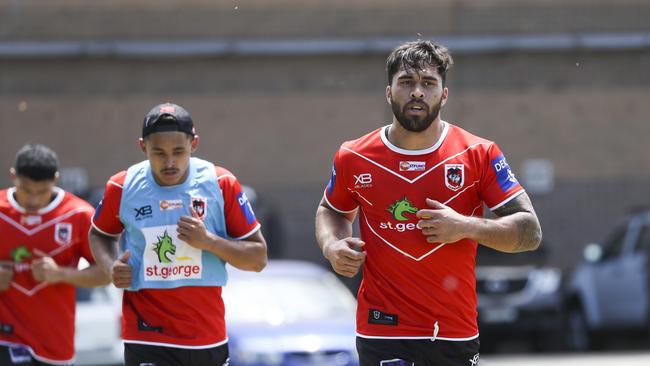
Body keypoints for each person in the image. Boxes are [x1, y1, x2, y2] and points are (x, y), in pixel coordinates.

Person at [315, 40, 542, 366]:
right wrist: (332, 245)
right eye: (406, 82)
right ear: (389, 92)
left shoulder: (479, 154)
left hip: (453, 332)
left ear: (444, 95)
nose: (417, 92)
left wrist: (464, 226)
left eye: (428, 83)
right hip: (382, 329)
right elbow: (332, 210)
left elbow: (530, 232)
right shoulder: (354, 155)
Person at [89, 102, 267, 366]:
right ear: (142, 146)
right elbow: (99, 234)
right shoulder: (123, 186)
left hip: (205, 335)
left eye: (179, 151)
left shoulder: (220, 183)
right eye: (159, 152)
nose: (169, 162)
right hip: (146, 333)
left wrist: (210, 242)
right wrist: (109, 266)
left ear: (194, 144)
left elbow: (258, 258)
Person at [0, 144, 110, 365]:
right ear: (13, 176)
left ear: (55, 180)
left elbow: (106, 274)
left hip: (53, 345)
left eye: (41, 191)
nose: (33, 200)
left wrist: (60, 274)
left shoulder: (78, 215)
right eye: (26, 190)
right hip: (6, 337)